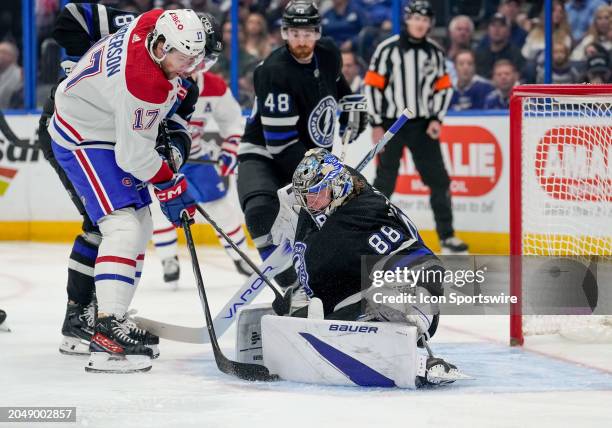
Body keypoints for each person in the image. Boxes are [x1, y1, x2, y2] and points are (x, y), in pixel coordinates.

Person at [45, 6, 215, 373]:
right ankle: (106, 337)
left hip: (104, 124)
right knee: (121, 225)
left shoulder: (155, 20)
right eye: (181, 58)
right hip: (84, 135)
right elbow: (135, 157)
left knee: (140, 223)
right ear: (160, 46)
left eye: (193, 59)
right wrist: (170, 183)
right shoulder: (144, 83)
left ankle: (113, 319)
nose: (186, 67)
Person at [286, 148, 460, 385]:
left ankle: (414, 354)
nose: (310, 202)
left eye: (317, 193)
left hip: (409, 300)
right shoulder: (338, 198)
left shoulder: (366, 211)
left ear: (337, 187)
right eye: (306, 195)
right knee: (314, 320)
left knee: (393, 295)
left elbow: (430, 267)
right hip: (360, 298)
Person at [237, 0, 367, 287]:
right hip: (264, 155)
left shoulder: (329, 53)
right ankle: (286, 282)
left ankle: (329, 283)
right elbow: (280, 145)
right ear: (284, 33)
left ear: (318, 33)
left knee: (331, 222)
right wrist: (323, 175)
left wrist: (351, 105)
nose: (301, 40)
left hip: (308, 156)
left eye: (307, 33)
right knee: (260, 211)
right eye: (295, 34)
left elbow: (338, 83)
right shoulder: (272, 71)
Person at [364, 0, 468, 254]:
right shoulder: (387, 49)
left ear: (430, 24)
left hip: (422, 125)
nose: (420, 24)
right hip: (392, 123)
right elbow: (372, 86)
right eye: (416, 18)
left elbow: (444, 87)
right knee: (385, 181)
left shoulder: (434, 52)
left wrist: (437, 119)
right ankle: (373, 233)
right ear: (407, 20)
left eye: (425, 20)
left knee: (439, 180)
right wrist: (376, 122)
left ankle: (447, 235)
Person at [150, 69, 254, 285]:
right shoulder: (159, 80)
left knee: (221, 208)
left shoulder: (214, 86)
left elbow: (233, 119)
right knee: (160, 209)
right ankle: (169, 259)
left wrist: (230, 149)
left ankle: (240, 256)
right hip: (161, 160)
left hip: (195, 156)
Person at [475, 13, 526, 79]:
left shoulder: (515, 55)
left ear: (508, 31)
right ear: (488, 30)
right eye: (493, 25)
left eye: (501, 26)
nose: (497, 29)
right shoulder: (480, 54)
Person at [0, 41, 21, 109]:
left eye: (3, 52)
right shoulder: (2, 73)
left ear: (13, 56)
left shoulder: (20, 74)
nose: (0, 55)